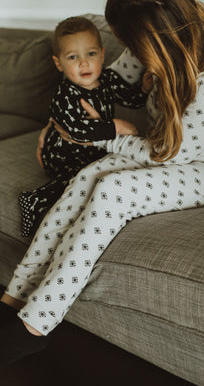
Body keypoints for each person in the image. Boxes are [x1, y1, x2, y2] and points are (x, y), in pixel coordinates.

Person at [0, 0, 204, 366]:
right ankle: (12, 297)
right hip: (172, 150)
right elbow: (107, 82)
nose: (128, 49)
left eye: (127, 41)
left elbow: (167, 154)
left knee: (114, 189)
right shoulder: (162, 37)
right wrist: (64, 122)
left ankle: (34, 327)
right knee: (88, 173)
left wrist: (104, 135)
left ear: (150, 37)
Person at [18, 16, 153, 237]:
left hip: (91, 148)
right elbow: (76, 130)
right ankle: (35, 199)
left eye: (90, 54)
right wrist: (115, 126)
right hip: (60, 151)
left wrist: (144, 91)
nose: (84, 63)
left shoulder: (108, 79)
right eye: (73, 57)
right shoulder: (64, 94)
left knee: (104, 168)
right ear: (59, 63)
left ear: (101, 54)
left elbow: (131, 99)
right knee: (81, 175)